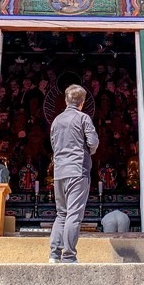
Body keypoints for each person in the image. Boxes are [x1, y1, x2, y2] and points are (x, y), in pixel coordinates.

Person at [48, 84, 98, 264]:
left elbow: (54, 145)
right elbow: (93, 142)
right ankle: (69, 256)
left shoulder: (56, 121)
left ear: (66, 100)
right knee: (73, 215)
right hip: (77, 170)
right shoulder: (83, 118)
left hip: (59, 171)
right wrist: (87, 152)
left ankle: (54, 254)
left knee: (61, 214)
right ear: (82, 103)